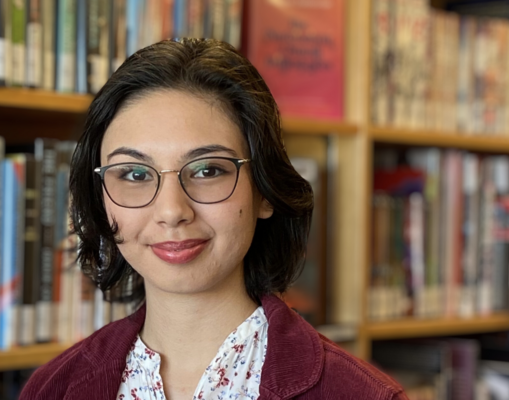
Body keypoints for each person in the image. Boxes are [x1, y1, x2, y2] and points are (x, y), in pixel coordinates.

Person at [20, 38, 408, 400]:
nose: (172, 211)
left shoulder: (361, 394)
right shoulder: (53, 388)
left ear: (264, 191)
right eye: (135, 174)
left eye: (207, 170)